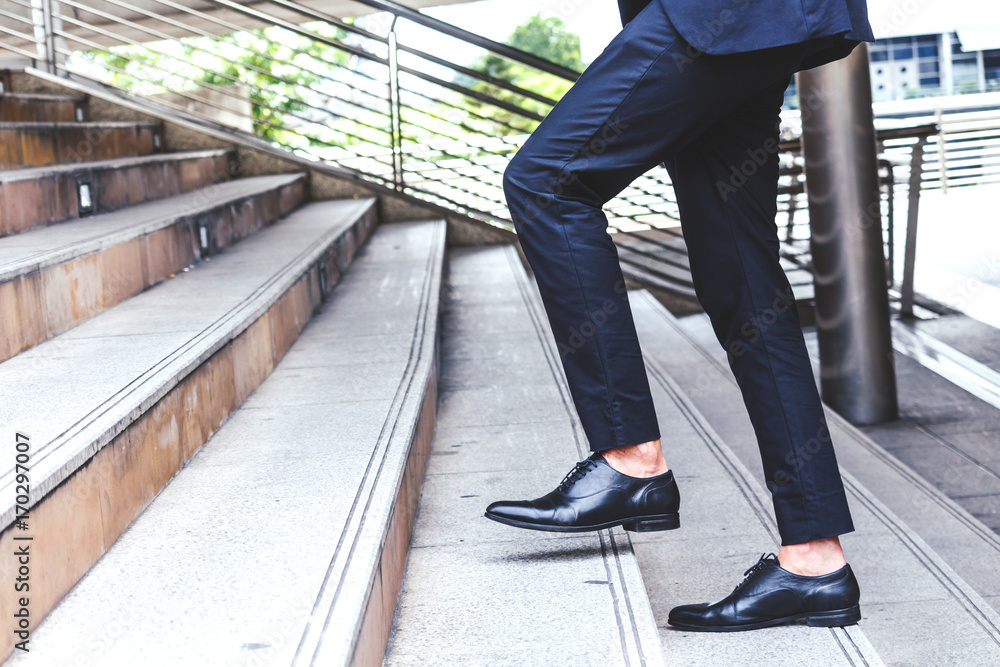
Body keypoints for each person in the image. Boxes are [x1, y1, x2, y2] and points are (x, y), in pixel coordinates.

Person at [485, 0, 873, 632]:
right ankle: (814, 559)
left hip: (720, 14)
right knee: (744, 281)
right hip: (764, 22)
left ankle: (631, 457)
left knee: (546, 183)